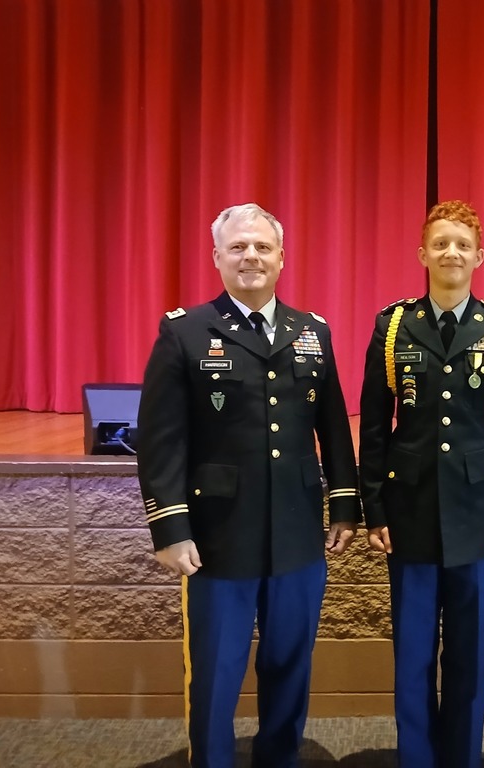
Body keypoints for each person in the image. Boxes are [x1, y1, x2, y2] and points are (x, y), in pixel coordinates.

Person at [137, 202, 361, 767]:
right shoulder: (185, 332)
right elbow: (162, 440)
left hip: (296, 532)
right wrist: (170, 527)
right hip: (217, 539)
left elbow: (333, 424)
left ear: (281, 258)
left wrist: (343, 505)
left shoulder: (312, 332)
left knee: (290, 664)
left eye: (262, 246)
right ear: (217, 258)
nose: (251, 256)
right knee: (215, 671)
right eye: (238, 247)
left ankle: (278, 758)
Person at [358, 200, 484, 768]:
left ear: (479, 256)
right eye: (440, 243)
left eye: (462, 243)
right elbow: (375, 424)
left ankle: (461, 758)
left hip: (478, 511)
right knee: (411, 654)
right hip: (408, 509)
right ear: (422, 254)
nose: (451, 252)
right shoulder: (393, 326)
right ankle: (416, 759)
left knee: (469, 654)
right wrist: (373, 509)